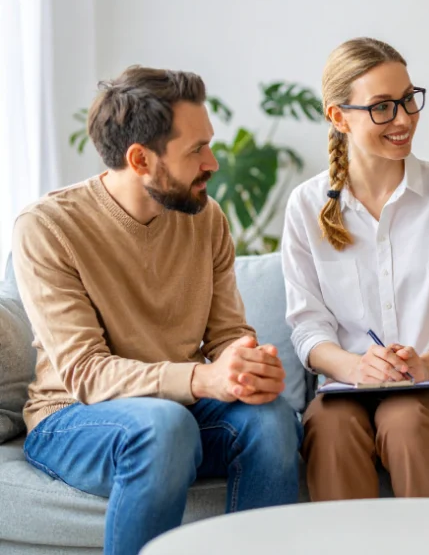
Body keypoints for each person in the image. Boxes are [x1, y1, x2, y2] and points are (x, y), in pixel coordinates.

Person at [12, 66, 302, 555]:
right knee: (164, 428)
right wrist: (203, 380)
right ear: (140, 159)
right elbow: (85, 372)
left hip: (179, 415)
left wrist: (247, 367)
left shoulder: (205, 217)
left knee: (272, 419)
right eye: (196, 149)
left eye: (209, 144)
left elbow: (228, 333)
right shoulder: (47, 226)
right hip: (75, 417)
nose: (212, 162)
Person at [281, 37, 429, 500]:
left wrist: (426, 365)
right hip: (345, 390)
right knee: (330, 426)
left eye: (408, 100)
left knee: (403, 419)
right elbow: (307, 329)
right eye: (382, 107)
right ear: (338, 117)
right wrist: (357, 367)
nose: (403, 119)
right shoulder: (305, 205)